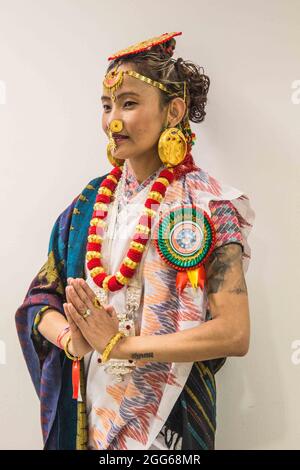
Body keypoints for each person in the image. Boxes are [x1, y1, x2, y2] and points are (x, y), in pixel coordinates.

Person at [15, 31, 255, 450]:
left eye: (129, 103)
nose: (113, 121)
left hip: (170, 419)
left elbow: (234, 332)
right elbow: (39, 302)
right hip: (90, 411)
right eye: (107, 106)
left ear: (173, 111)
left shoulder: (211, 204)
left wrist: (123, 345)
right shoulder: (87, 204)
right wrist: (75, 339)